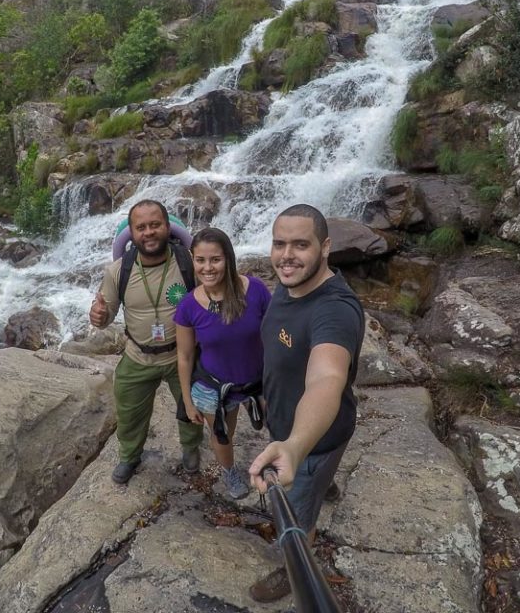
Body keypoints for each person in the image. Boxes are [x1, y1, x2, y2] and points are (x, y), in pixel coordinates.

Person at [247, 204, 365, 603]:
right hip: (286, 421)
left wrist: (294, 447)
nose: (286, 255)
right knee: (315, 482)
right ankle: (322, 484)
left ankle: (295, 562)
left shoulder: (334, 310)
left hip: (313, 439)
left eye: (301, 244)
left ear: (326, 247)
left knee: (296, 510)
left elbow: (326, 379)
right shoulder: (291, 283)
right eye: (279, 244)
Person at [89, 200, 204, 484]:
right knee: (128, 411)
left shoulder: (190, 261)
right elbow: (105, 316)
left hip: (183, 355)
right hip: (138, 355)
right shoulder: (118, 271)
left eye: (155, 225)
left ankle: (190, 449)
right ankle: (129, 456)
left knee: (192, 407)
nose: (149, 232)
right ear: (131, 232)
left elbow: (212, 300)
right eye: (141, 227)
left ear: (167, 227)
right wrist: (98, 316)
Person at [173, 227, 272, 499]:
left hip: (258, 379)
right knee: (221, 434)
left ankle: (290, 462)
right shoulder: (188, 306)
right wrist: (187, 400)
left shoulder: (256, 291)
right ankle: (229, 472)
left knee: (280, 422)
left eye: (215, 259)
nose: (208, 268)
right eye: (200, 260)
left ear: (228, 258)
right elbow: (184, 356)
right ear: (192, 260)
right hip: (214, 385)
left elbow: (274, 333)